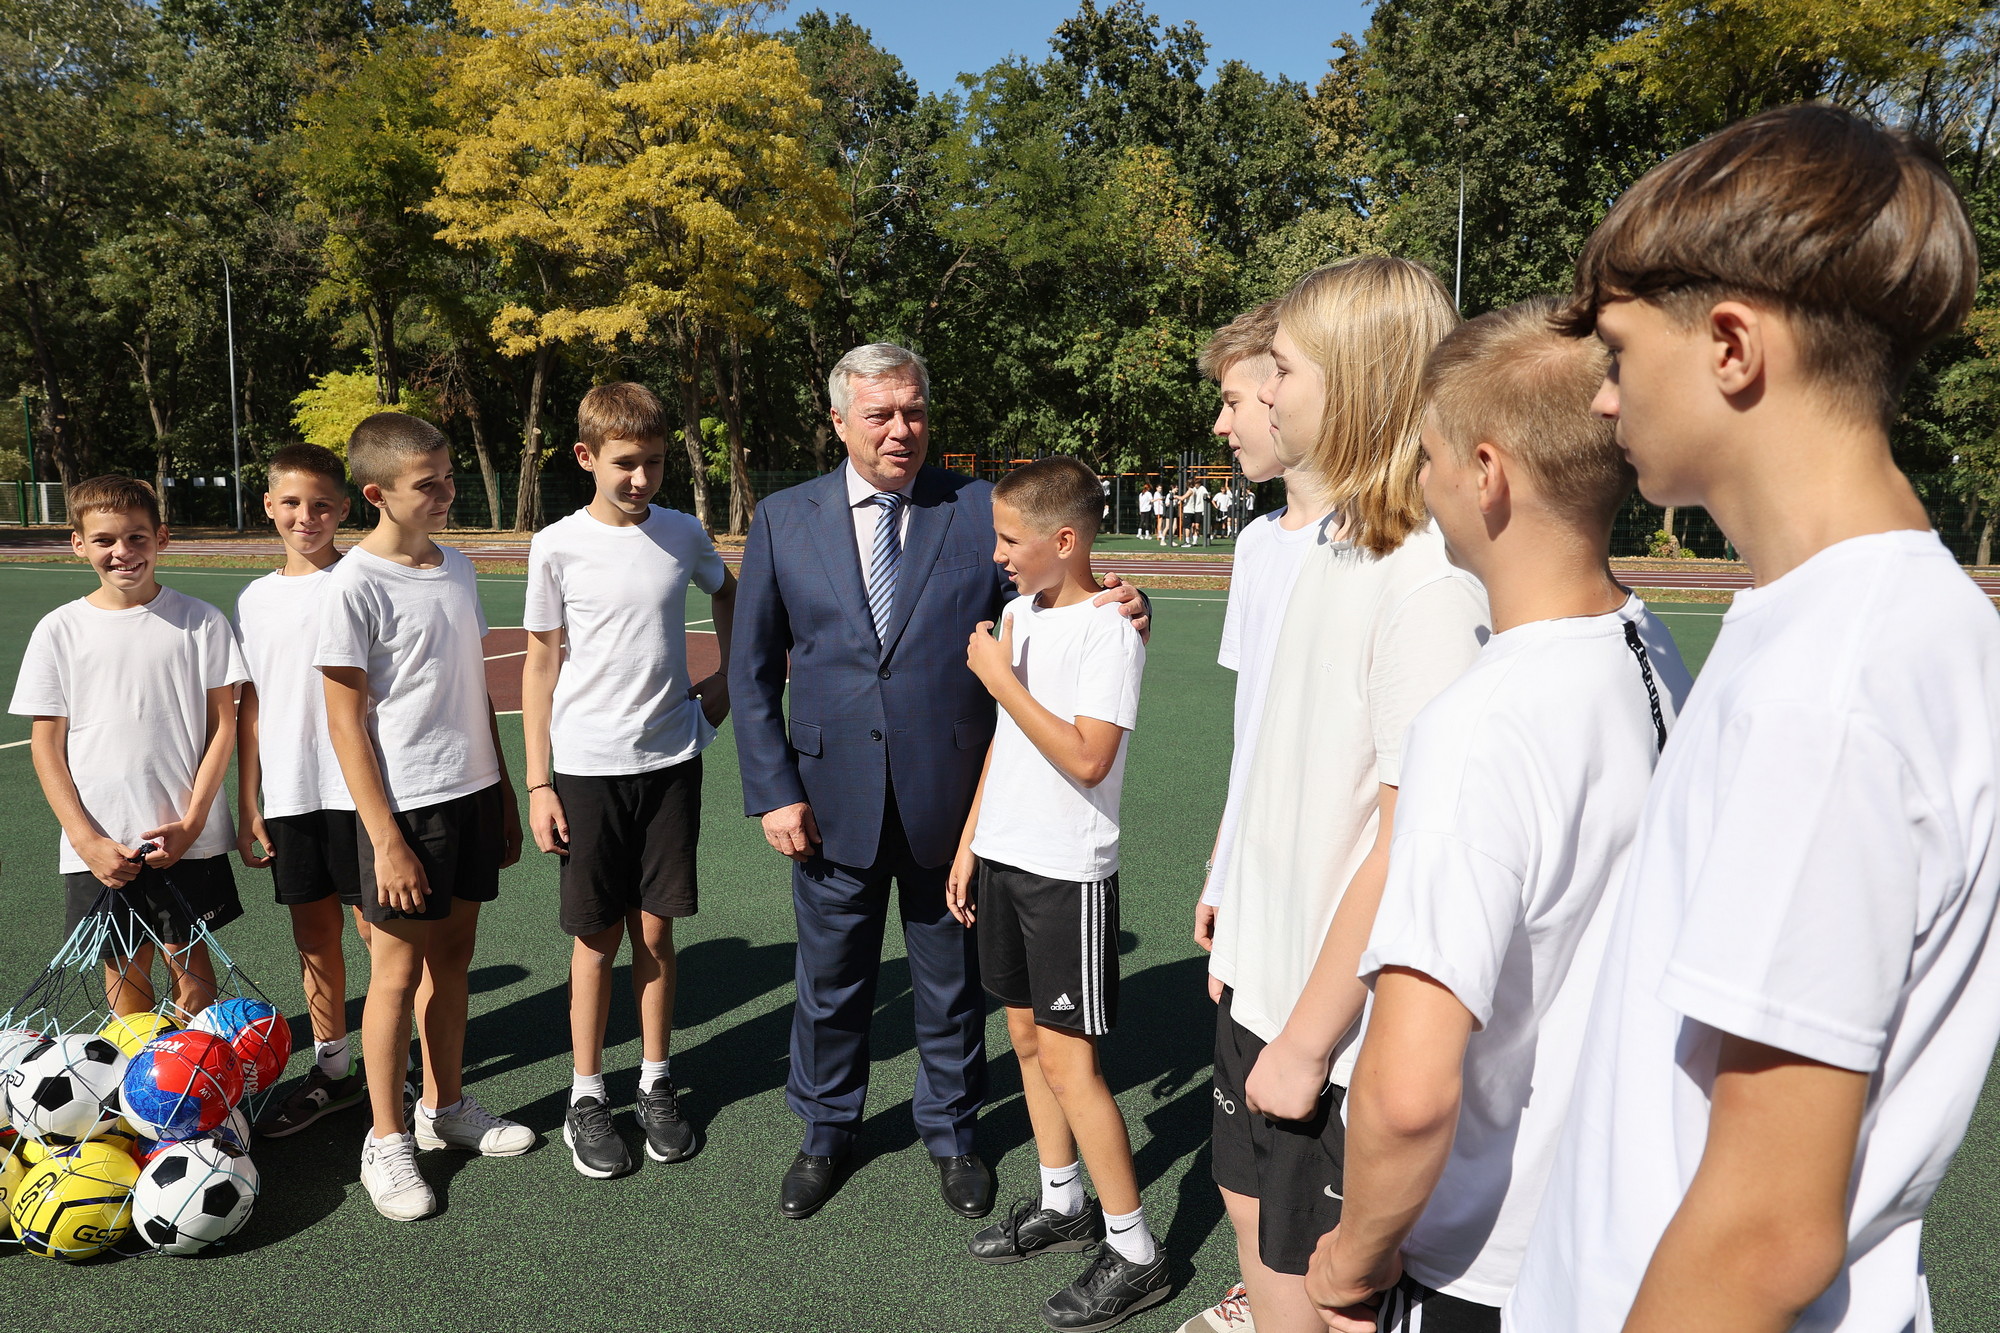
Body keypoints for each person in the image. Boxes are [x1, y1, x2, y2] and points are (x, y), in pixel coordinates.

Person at [1508, 105, 2000, 1333]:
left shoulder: (1832, 682)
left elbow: (1763, 1233)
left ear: (1729, 345)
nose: (1606, 404)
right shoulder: (1841, 620)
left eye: (1617, 355)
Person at [1302, 299, 1693, 1333]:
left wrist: (1348, 1259)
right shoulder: (1651, 649)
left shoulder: (1479, 722)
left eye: (1428, 456)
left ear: (1486, 472)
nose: (1420, 483)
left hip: (1490, 1259)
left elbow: (1407, 1089)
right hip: (1619, 1222)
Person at [730, 343, 1149, 1223]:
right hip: (825, 794)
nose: (900, 430)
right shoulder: (782, 517)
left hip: (954, 797)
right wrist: (773, 788)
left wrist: (1125, 598)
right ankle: (825, 1127)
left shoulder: (974, 509)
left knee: (950, 978)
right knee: (830, 976)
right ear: (839, 421)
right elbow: (753, 666)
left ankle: (954, 1130)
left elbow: (1053, 586)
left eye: (914, 411)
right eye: (880, 415)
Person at [1205, 258, 1487, 1333]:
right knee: (1251, 1231)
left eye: (1281, 368)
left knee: (1323, 1300)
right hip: (1262, 985)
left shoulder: (1426, 577)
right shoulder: (1328, 539)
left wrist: (1313, 1036)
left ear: (1357, 382)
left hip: (1324, 1030)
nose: (1265, 392)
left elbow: (1407, 839)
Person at [948, 457, 1164, 1330]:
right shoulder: (1015, 615)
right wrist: (971, 843)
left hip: (1068, 872)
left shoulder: (1110, 630)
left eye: (1009, 537)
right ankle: (1062, 1196)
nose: (997, 553)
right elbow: (1005, 744)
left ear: (1064, 540)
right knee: (1028, 1042)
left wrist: (1001, 677)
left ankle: (1136, 1246)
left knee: (1074, 1063)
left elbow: (1086, 755)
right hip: (1006, 857)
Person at [315, 411, 530, 1221]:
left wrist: (503, 789)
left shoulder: (459, 568)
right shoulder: (354, 584)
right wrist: (386, 840)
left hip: (471, 794)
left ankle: (445, 1108)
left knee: (455, 958)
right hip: (403, 812)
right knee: (396, 976)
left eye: (448, 477)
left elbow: (473, 690)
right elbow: (345, 722)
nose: (446, 493)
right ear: (377, 494)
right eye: (428, 485)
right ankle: (385, 1137)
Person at [521, 383, 736, 1180]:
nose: (640, 478)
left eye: (651, 463)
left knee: (654, 932)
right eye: (623, 463)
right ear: (586, 457)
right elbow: (542, 662)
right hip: (585, 769)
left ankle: (654, 1080)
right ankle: (585, 1093)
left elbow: (729, 593)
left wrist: (721, 694)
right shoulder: (556, 545)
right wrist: (538, 784)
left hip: (672, 763)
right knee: (594, 938)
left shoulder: (683, 532)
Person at [1181, 300, 1338, 1333]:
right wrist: (1219, 870)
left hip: (1321, 916)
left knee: (1309, 1176)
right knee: (1237, 1160)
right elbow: (1254, 737)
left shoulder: (1382, 547)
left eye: (1243, 394)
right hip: (1252, 895)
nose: (1230, 419)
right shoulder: (1256, 546)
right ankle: (1258, 1299)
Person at [11, 475, 247, 1019]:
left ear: (161, 537)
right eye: (104, 540)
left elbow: (223, 729)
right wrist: (85, 838)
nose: (123, 552)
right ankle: (136, 1087)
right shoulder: (59, 630)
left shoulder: (201, 622)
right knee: (123, 965)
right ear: (78, 544)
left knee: (189, 963)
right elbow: (45, 744)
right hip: (101, 839)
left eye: (138, 537)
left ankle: (193, 1089)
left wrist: (190, 825)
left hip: (184, 835)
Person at [236, 443, 374, 1136]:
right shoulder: (255, 599)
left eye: (322, 504)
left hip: (365, 792)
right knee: (314, 935)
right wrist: (248, 799)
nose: (306, 515)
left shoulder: (367, 580)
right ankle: (335, 1068)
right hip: (292, 793)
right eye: (291, 502)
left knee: (381, 932)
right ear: (269, 505)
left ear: (345, 509)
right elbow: (253, 703)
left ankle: (393, 1063)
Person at [1183, 478, 1210, 546]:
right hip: (1193, 509)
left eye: (1197, 483)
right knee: (1192, 525)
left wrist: (1208, 496)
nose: (1196, 485)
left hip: (1199, 509)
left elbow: (1206, 494)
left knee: (1197, 525)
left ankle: (1195, 540)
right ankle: (1191, 539)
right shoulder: (1193, 489)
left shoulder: (1202, 488)